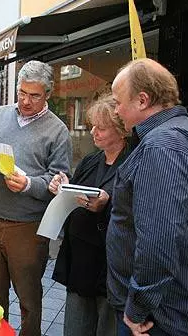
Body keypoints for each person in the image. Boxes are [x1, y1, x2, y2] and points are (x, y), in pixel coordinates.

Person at [107, 58, 188, 336]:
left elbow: (159, 238)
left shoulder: (164, 144)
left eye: (117, 102)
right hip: (171, 309)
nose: (116, 111)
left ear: (143, 100)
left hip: (160, 317)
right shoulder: (175, 134)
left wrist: (137, 308)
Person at [0, 60, 73, 336]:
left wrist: (28, 185)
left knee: (29, 300)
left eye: (34, 95)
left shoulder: (58, 131)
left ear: (48, 94)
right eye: (22, 93)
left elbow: (59, 182)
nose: (26, 101)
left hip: (28, 227)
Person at [49, 95, 129, 336]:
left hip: (110, 263)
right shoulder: (91, 161)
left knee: (107, 326)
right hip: (81, 261)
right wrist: (62, 186)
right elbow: (76, 190)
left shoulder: (134, 162)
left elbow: (139, 209)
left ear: (122, 130)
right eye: (93, 125)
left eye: (101, 128)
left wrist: (108, 203)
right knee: (76, 327)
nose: (94, 132)